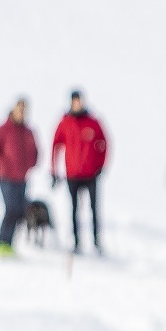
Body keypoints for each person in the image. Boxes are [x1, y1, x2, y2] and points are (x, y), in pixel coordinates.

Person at [50, 90, 110, 255]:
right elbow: (55, 145)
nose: (78, 104)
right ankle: (76, 242)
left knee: (93, 209)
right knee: (74, 209)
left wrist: (101, 166)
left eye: (80, 101)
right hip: (73, 174)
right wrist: (54, 170)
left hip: (91, 174)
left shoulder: (93, 122)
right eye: (75, 101)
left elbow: (104, 144)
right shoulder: (65, 123)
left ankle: (97, 241)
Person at [0, 99, 38, 257]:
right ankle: (2, 243)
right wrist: (5, 161)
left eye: (24, 111)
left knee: (19, 211)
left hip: (22, 178)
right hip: (6, 177)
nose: (22, 113)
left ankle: (10, 245)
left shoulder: (28, 132)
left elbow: (35, 152)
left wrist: (30, 164)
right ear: (14, 110)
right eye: (20, 110)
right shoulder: (3, 130)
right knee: (11, 209)